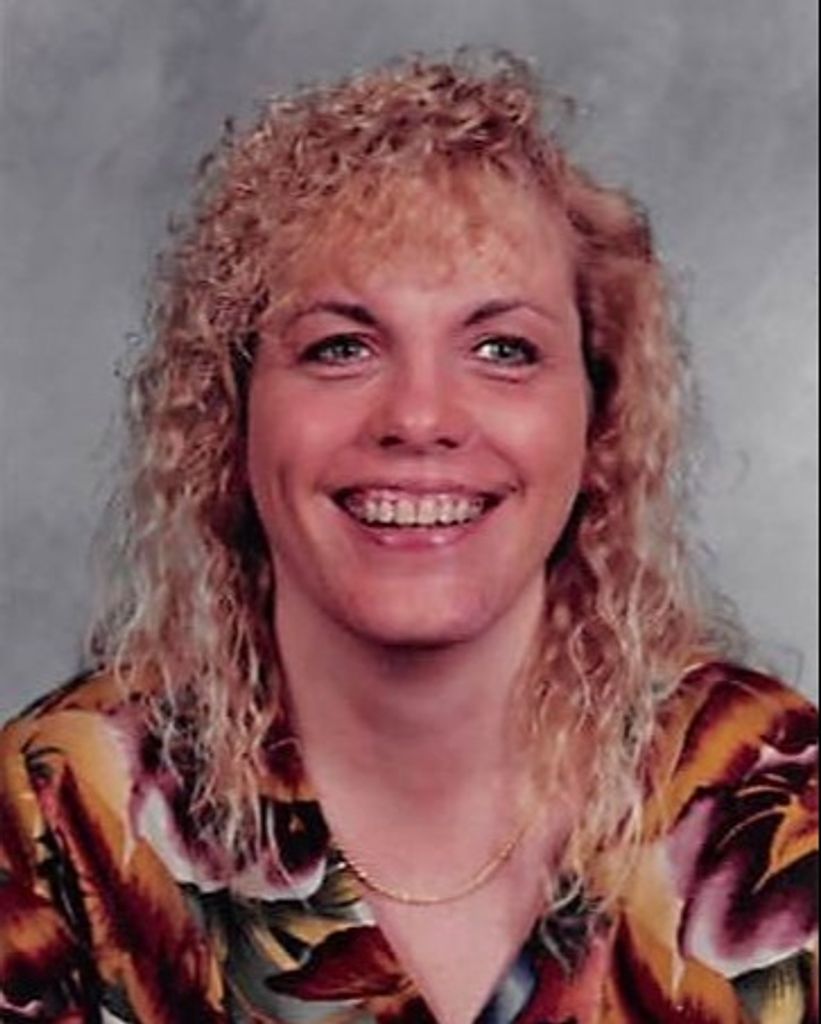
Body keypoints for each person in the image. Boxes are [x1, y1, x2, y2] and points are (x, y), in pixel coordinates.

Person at [0, 52, 816, 1024]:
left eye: (502, 349)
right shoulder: (57, 821)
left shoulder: (775, 801)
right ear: (231, 419)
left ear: (600, 421)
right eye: (340, 347)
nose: (420, 416)